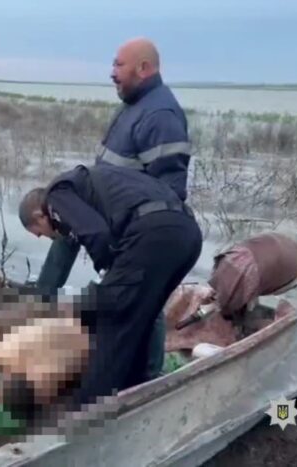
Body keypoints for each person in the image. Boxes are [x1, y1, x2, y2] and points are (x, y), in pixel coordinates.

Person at [34, 37, 193, 380]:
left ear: (144, 68)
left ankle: (149, 375)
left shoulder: (161, 115)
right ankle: (40, 305)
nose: (112, 72)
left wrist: (130, 244)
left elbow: (169, 192)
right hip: (109, 219)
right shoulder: (131, 106)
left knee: (145, 302)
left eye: (119, 65)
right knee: (67, 245)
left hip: (136, 233)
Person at [19, 162, 202, 408]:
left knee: (109, 317)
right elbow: (74, 249)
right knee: (142, 316)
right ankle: (138, 387)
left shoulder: (57, 195)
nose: (48, 237)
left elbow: (96, 234)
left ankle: (87, 407)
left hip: (152, 233)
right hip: (187, 234)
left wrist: (110, 276)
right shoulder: (86, 188)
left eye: (40, 233)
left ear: (40, 216)